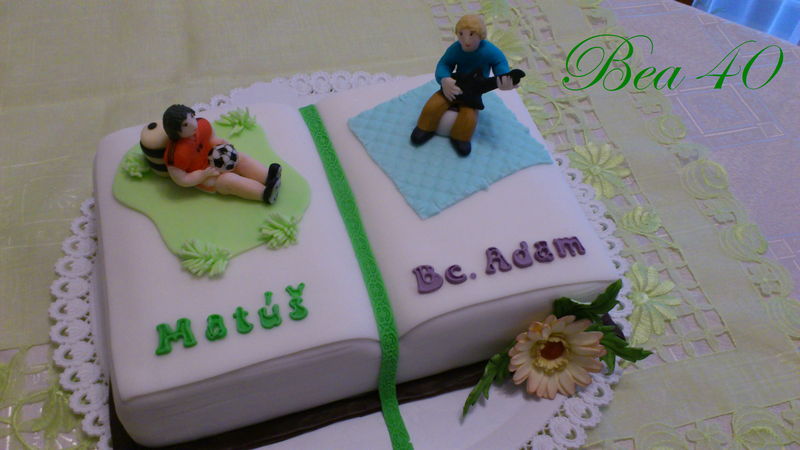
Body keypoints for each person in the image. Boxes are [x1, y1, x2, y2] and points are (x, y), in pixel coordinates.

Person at [411, 14, 520, 157]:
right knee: (432, 106)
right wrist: (444, 79)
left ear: (481, 35)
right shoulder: (456, 49)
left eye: (471, 34)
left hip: (475, 89)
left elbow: (499, 63)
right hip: (455, 84)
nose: (466, 40)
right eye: (461, 34)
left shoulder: (490, 51)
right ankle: (424, 128)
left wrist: (504, 78)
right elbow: (445, 63)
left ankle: (460, 138)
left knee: (468, 117)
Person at [162, 104, 281, 204]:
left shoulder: (202, 125)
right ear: (175, 131)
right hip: (207, 176)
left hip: (218, 157)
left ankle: (268, 176)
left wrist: (220, 143)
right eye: (185, 125)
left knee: (240, 157)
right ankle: (264, 193)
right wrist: (202, 175)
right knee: (228, 180)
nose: (193, 124)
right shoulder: (176, 154)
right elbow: (182, 179)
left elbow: (211, 138)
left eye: (192, 117)